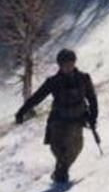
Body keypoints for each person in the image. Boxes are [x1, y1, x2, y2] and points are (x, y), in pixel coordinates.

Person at [15, 48, 98, 184]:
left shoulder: (84, 78)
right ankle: (61, 172)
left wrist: (93, 117)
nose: (68, 67)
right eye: (65, 64)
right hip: (58, 121)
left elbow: (92, 98)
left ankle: (61, 171)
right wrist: (22, 112)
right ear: (60, 65)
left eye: (70, 63)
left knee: (76, 147)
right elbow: (37, 97)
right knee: (57, 147)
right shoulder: (53, 81)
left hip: (77, 119)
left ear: (74, 62)